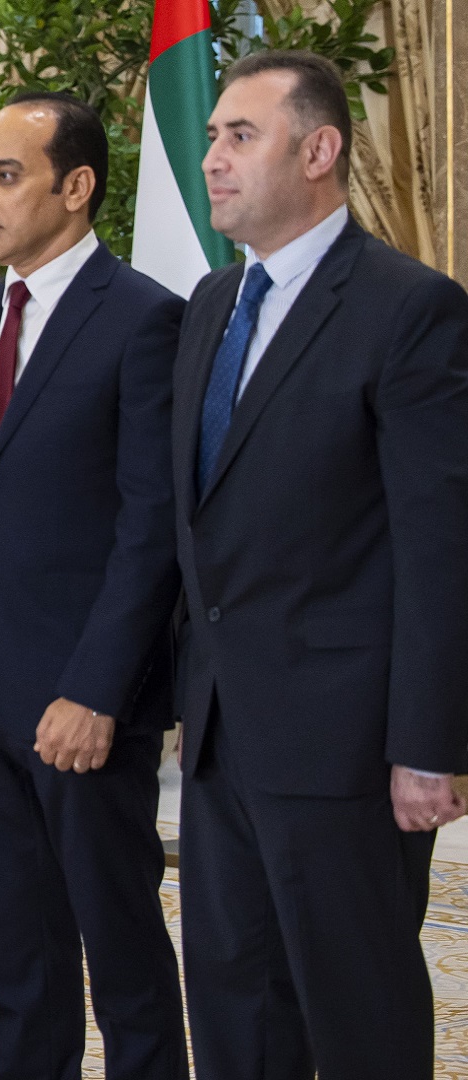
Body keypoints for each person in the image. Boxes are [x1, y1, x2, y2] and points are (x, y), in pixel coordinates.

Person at [174, 50, 468, 1080]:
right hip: (217, 740)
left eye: (238, 136)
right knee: (234, 1008)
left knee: (356, 1015)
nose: (212, 158)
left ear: (320, 148)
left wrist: (431, 744)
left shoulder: (409, 310)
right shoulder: (212, 305)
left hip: (347, 751)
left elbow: (442, 546)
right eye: (211, 136)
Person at [0, 93, 187, 1080]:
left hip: (80, 709)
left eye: (3, 176)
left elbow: (153, 528)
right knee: (20, 966)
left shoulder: (147, 319)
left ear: (77, 186)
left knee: (125, 959)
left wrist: (98, 691)